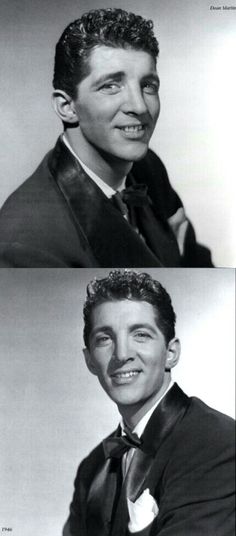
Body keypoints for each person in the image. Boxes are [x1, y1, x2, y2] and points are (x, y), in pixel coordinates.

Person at [0, 8, 213, 267]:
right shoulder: (25, 243)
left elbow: (193, 260)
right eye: (110, 86)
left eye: (148, 85)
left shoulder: (148, 168)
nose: (140, 106)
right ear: (67, 107)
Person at [63, 269, 235, 536]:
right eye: (104, 338)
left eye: (140, 334)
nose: (121, 354)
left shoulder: (218, 443)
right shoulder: (92, 468)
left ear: (171, 353)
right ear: (89, 360)